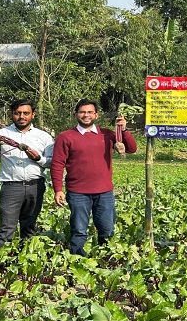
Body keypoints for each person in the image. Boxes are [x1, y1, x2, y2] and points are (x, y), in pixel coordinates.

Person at [51, 99, 137, 256]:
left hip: (104, 192)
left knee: (107, 229)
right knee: (78, 230)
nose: (86, 115)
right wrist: (58, 189)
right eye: (82, 112)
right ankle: (77, 260)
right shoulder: (66, 137)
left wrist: (123, 130)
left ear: (96, 115)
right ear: (76, 114)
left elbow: (131, 149)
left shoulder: (108, 135)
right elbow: (57, 164)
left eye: (90, 112)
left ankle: (104, 258)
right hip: (78, 193)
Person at [0, 99, 54, 249]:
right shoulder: (1, 134)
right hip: (11, 187)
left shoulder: (44, 137)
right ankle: (1, 264)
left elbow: (51, 162)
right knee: (6, 228)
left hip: (35, 187)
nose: (22, 116)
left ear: (32, 115)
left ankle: (25, 261)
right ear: (12, 115)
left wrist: (38, 158)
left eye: (26, 113)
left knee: (29, 227)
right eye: (18, 113)